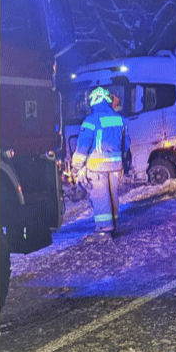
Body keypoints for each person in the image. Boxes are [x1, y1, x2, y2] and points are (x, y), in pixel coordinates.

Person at [71, 86, 130, 240]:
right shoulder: (119, 119)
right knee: (112, 196)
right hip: (116, 166)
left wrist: (76, 167)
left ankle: (104, 230)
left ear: (94, 101)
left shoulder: (91, 120)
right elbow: (126, 144)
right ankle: (113, 225)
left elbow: (83, 147)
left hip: (97, 167)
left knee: (100, 196)